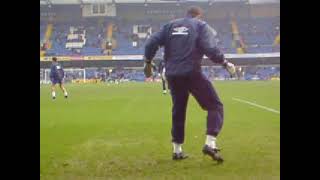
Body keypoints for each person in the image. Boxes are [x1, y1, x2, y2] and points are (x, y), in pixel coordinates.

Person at [144, 6, 235, 162]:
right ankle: (210, 143)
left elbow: (151, 42)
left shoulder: (169, 26)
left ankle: (177, 150)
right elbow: (210, 48)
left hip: (173, 74)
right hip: (192, 72)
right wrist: (224, 63)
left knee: (178, 110)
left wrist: (147, 61)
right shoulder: (200, 25)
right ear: (199, 16)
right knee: (215, 106)